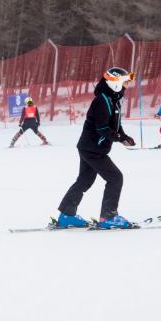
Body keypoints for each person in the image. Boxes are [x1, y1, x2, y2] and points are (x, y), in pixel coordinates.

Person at [56, 67, 137, 229]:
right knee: (115, 178)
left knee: (85, 180)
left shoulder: (112, 100)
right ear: (115, 84)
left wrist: (124, 137)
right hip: (94, 150)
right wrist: (120, 138)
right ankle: (108, 217)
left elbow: (115, 126)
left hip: (90, 148)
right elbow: (102, 129)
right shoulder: (102, 101)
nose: (127, 86)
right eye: (125, 83)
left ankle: (67, 214)